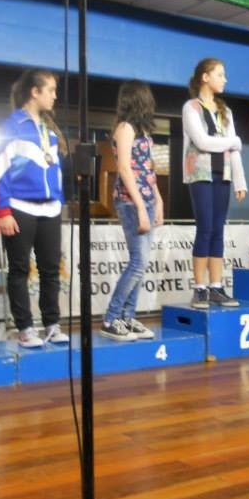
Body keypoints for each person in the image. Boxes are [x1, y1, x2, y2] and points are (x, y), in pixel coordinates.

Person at [0, 69, 70, 348]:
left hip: (50, 209)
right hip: (19, 207)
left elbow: (55, 170)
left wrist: (58, 200)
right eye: (50, 90)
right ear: (34, 92)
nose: (55, 96)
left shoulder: (49, 130)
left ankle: (52, 324)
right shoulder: (11, 126)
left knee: (51, 270)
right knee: (19, 270)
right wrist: (3, 211)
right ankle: (25, 328)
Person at [101, 81, 164, 341]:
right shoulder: (125, 128)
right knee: (138, 262)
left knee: (142, 262)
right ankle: (111, 317)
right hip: (130, 201)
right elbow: (125, 169)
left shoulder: (141, 130)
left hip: (146, 198)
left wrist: (158, 200)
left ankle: (127, 317)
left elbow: (147, 168)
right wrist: (140, 207)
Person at [183, 58, 247, 309]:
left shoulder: (225, 111)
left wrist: (240, 181)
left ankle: (216, 287)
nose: (225, 79)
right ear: (205, 77)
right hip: (200, 175)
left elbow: (234, 150)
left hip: (223, 174)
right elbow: (203, 142)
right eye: (220, 74)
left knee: (218, 230)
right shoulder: (191, 108)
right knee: (205, 228)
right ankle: (200, 288)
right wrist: (233, 141)